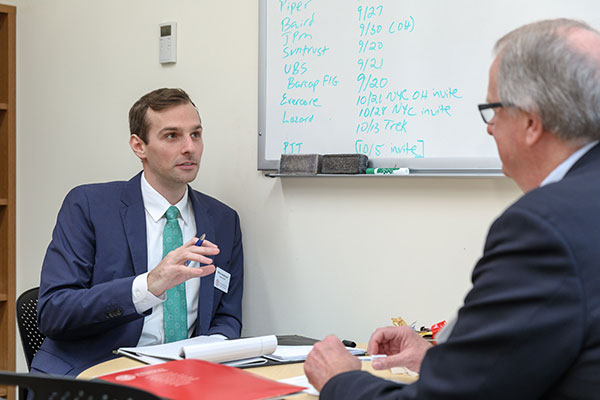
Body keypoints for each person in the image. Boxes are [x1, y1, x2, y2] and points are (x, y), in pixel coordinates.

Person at [304, 18, 600, 399]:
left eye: (494, 109)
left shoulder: (544, 227)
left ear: (530, 122)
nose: (489, 128)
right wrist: (440, 360)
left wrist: (339, 381)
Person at [32, 88, 243, 376]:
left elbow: (226, 317)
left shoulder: (223, 220)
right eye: (172, 136)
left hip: (185, 379)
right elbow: (53, 312)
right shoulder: (89, 206)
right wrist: (148, 285)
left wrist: (207, 354)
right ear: (138, 146)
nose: (189, 148)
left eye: (195, 134)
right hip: (95, 374)